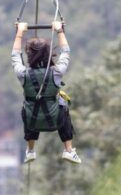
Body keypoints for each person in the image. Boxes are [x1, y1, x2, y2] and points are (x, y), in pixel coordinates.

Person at [11, 20, 81, 164]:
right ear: (49, 55)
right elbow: (66, 52)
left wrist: (19, 33)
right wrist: (59, 31)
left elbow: (15, 56)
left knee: (28, 108)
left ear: (30, 56)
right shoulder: (57, 73)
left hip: (32, 122)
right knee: (63, 106)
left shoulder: (23, 74)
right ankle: (68, 150)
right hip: (55, 120)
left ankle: (30, 150)